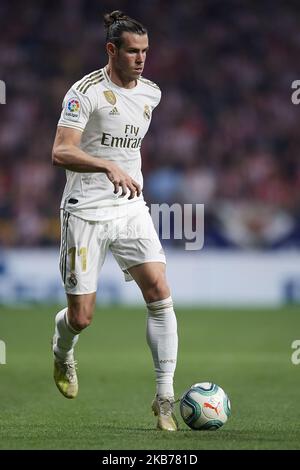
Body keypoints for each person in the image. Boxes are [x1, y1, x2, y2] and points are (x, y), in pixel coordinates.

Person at [51, 10, 178, 432]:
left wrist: (123, 171)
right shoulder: (83, 92)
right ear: (112, 50)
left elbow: (128, 143)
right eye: (132, 51)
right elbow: (61, 151)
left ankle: (164, 398)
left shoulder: (151, 94)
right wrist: (106, 165)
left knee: (160, 290)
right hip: (85, 209)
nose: (141, 59)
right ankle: (63, 350)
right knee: (81, 317)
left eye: (145, 51)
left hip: (130, 206)